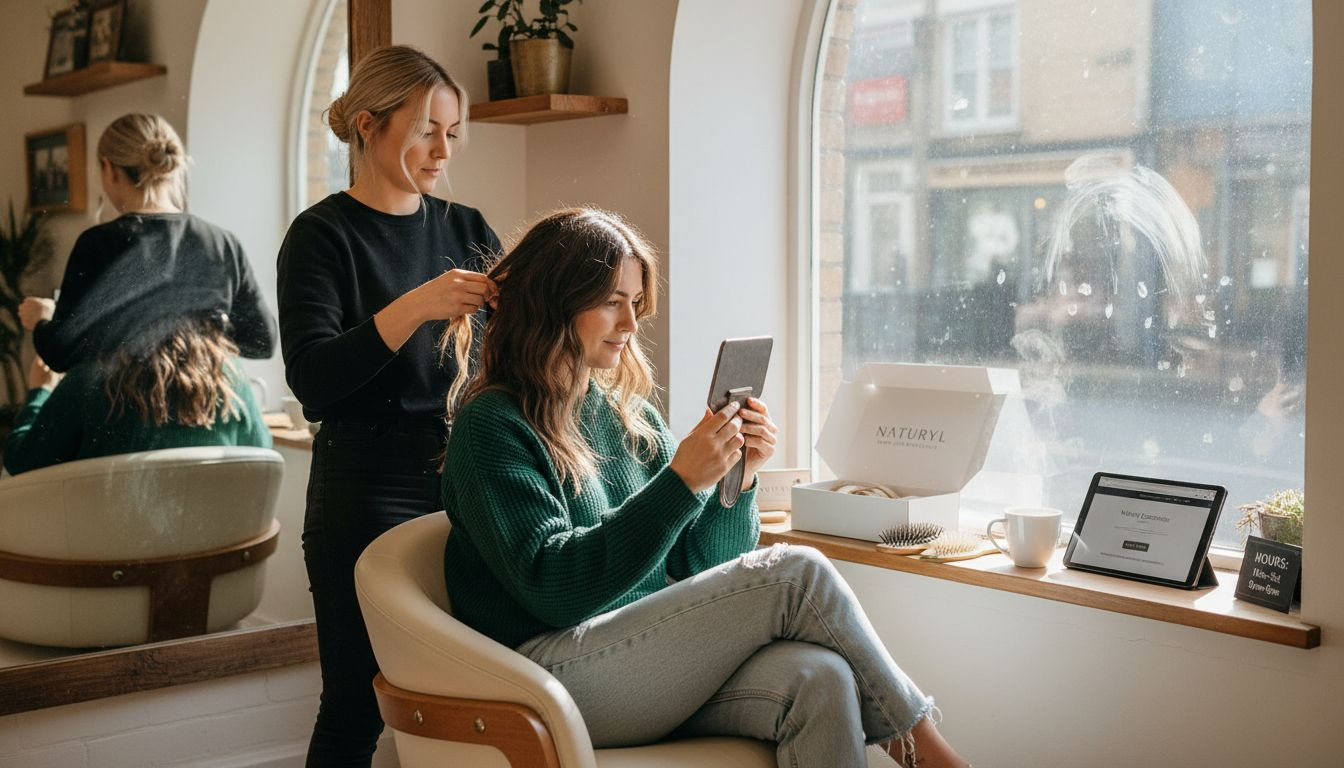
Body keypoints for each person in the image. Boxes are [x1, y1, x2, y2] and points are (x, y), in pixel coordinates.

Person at [440, 208, 970, 768]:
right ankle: (933, 759)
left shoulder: (628, 416)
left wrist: (735, 480)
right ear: (554, 301)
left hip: (639, 660)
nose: (629, 324)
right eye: (610, 301)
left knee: (822, 677)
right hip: (545, 673)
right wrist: (681, 480)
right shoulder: (493, 426)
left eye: (634, 303)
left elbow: (702, 565)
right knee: (798, 572)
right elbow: (552, 589)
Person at [275, 45, 500, 767]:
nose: (443, 149)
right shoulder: (321, 236)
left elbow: (508, 355)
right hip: (363, 486)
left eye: (453, 131)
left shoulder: (467, 227)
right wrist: (418, 306)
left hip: (466, 479)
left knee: (475, 694)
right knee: (355, 702)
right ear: (369, 125)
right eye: (427, 129)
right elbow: (313, 380)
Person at [18, 112, 275, 372]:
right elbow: (263, 341)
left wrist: (41, 320)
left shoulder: (98, 244)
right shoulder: (221, 243)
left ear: (109, 169)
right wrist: (200, 331)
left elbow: (62, 353)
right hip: (204, 407)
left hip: (125, 410)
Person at [3, 313, 270, 476]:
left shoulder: (88, 379)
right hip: (211, 560)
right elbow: (262, 457)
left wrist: (39, 392)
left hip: (105, 563)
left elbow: (21, 462)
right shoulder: (230, 374)